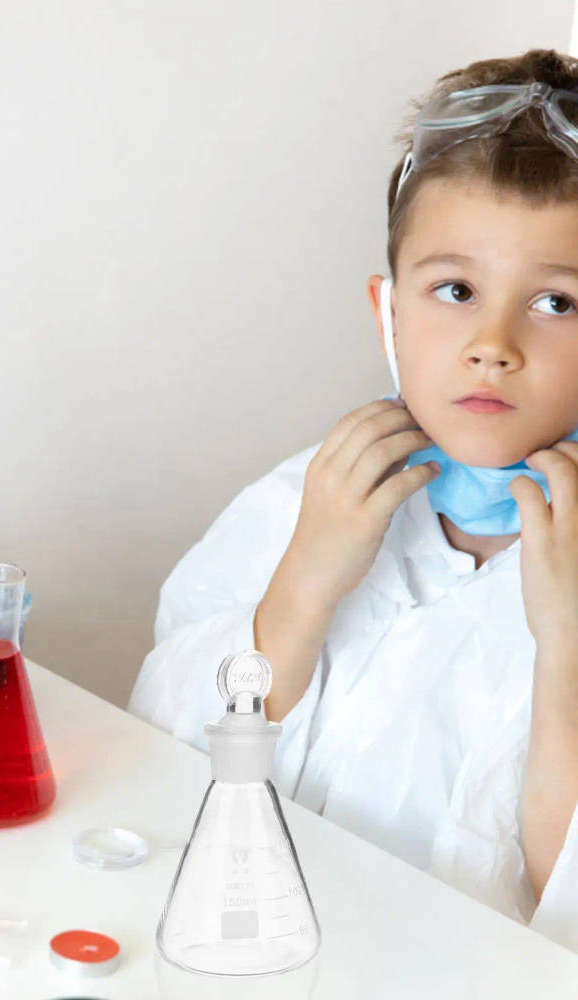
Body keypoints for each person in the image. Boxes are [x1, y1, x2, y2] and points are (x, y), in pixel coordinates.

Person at [128, 48, 578, 952]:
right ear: (389, 313)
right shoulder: (316, 495)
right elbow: (157, 754)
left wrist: (566, 643)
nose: (492, 344)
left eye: (557, 304)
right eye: (456, 290)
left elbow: (560, 911)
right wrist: (303, 585)